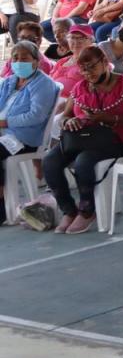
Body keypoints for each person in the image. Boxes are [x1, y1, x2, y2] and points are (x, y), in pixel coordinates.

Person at [43, 44, 123, 234]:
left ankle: (87, 210)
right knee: (50, 161)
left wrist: (108, 118)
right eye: (83, 69)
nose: (87, 73)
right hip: (82, 139)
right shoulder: (80, 87)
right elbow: (65, 115)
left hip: (116, 140)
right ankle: (68, 210)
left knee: (84, 162)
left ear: (105, 62)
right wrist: (69, 121)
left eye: (92, 67)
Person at [0, 41, 59, 222]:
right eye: (15, 58)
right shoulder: (9, 81)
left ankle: (1, 207)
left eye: (24, 58)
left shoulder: (44, 84)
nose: (19, 62)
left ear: (36, 61)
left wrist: (5, 122)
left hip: (24, 138)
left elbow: (36, 116)